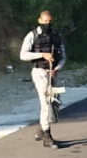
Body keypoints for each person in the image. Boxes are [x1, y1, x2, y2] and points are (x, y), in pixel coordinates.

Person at [19, 10, 66, 149]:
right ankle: (47, 136)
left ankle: (40, 130)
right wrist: (42, 55)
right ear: (40, 20)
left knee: (55, 104)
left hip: (53, 74)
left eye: (50, 21)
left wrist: (57, 69)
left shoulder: (56, 36)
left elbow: (63, 57)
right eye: (45, 21)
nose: (48, 24)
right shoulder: (32, 35)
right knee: (46, 104)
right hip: (39, 72)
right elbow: (23, 55)